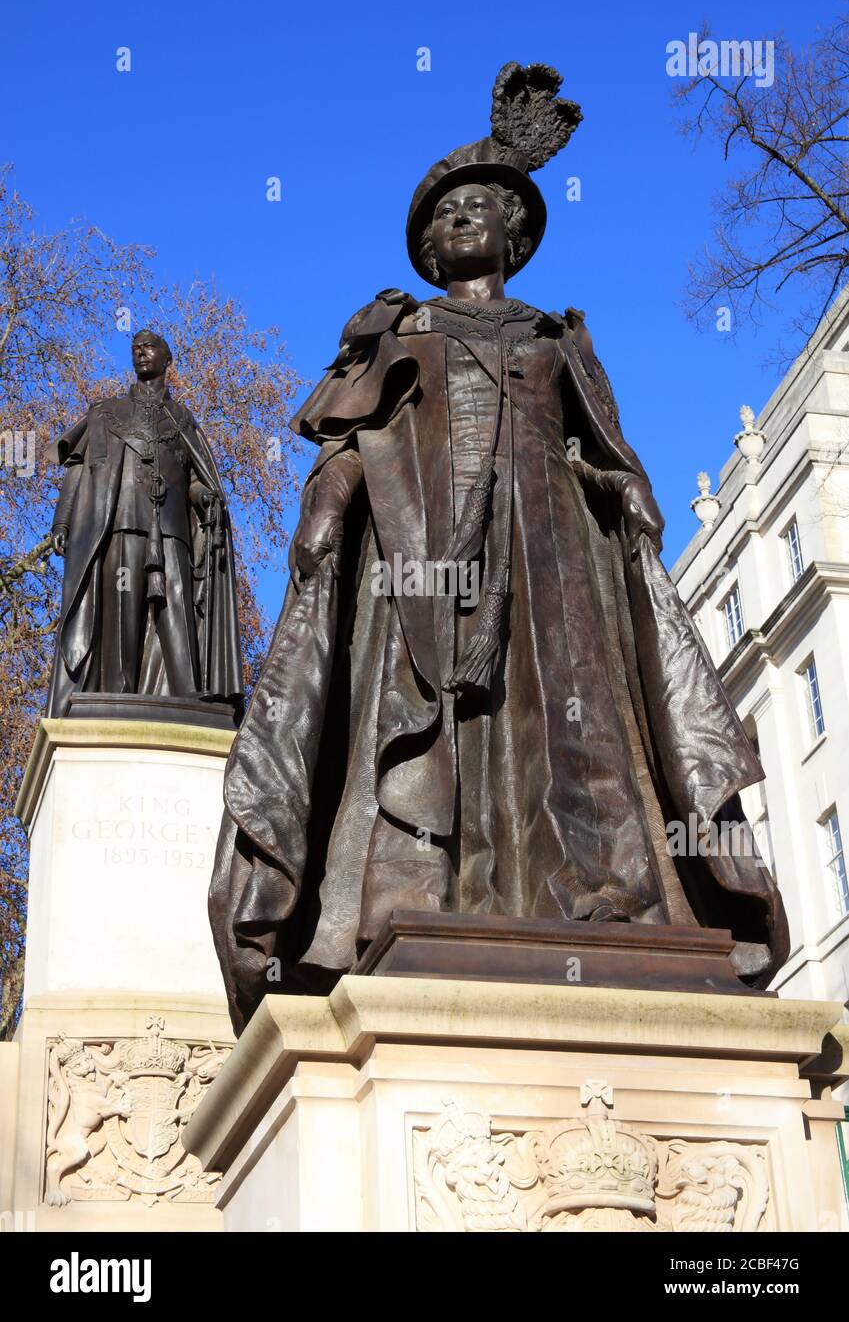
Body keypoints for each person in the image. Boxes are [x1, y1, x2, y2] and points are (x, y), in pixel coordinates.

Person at [210, 63, 788, 1033]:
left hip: (556, 547)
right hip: (422, 549)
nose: (461, 221)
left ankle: (591, 895)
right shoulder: (404, 329)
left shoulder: (556, 339)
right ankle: (423, 897)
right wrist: (327, 507)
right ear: (427, 247)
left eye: (481, 208)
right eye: (444, 214)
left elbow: (596, 444)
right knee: (435, 717)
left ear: (516, 234)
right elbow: (355, 436)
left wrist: (627, 492)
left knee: (561, 725)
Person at [47, 329, 243, 717]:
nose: (140, 352)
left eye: (149, 347)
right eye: (136, 347)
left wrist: (207, 498)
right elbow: (76, 468)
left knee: (176, 608)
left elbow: (194, 481)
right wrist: (63, 521)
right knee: (123, 608)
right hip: (120, 524)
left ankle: (188, 694)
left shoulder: (182, 419)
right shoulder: (106, 412)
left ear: (168, 360)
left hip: (172, 531)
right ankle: (119, 692)